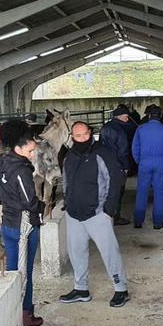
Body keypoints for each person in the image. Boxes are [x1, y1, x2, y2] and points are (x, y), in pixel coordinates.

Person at [60, 122, 129, 308]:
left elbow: (116, 179)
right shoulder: (69, 156)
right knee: (76, 253)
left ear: (90, 133)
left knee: (109, 252)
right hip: (74, 214)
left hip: (98, 214)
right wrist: (67, 203)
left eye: (85, 134)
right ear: (71, 136)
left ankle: (121, 289)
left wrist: (109, 209)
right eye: (78, 135)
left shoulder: (102, 153)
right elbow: (65, 181)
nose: (82, 138)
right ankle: (81, 289)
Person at [0, 119, 45, 326]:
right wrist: (41, 206)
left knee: (13, 270)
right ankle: (25, 315)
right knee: (25, 273)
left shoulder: (2, 163)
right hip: (24, 225)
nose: (33, 154)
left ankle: (10, 312)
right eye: (31, 150)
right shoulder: (22, 169)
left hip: (7, 221)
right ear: (19, 147)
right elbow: (29, 202)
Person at [132, 106, 163, 230]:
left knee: (142, 191)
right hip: (161, 162)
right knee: (159, 192)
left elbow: (135, 148)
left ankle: (138, 221)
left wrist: (139, 160)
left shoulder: (140, 129)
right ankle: (158, 223)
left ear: (148, 116)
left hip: (144, 162)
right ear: (160, 116)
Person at [99, 106, 133, 226]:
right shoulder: (120, 130)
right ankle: (116, 216)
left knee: (105, 189)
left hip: (105, 163)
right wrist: (125, 167)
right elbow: (123, 151)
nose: (128, 119)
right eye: (126, 116)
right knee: (118, 191)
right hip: (117, 164)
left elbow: (101, 145)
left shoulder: (105, 127)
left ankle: (105, 214)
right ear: (119, 117)